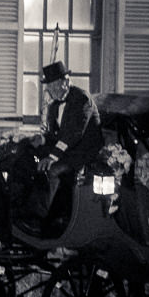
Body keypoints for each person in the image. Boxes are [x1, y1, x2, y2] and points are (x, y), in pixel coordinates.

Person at [26, 61, 104, 224]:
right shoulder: (55, 105)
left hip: (84, 154)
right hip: (68, 151)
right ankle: (30, 212)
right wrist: (42, 139)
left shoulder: (82, 99)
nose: (50, 90)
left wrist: (52, 157)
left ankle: (42, 220)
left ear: (66, 82)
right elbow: (55, 134)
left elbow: (73, 134)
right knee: (31, 161)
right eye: (49, 86)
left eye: (54, 85)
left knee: (51, 171)